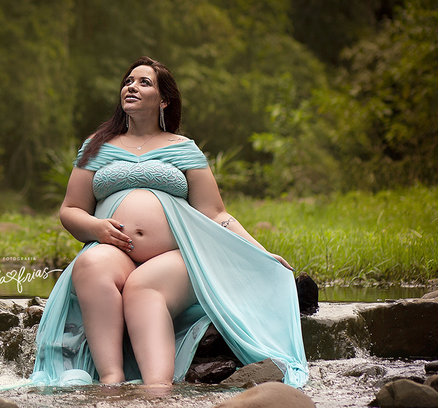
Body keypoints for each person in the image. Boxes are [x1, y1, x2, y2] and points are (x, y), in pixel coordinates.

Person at [26, 57, 309, 388]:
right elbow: (71, 209)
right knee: (89, 264)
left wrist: (259, 251)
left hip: (177, 256)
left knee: (142, 288)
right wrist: (96, 228)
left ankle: (158, 392)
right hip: (117, 251)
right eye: (128, 81)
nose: (131, 87)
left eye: (144, 82)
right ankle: (110, 382)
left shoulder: (183, 148)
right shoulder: (97, 146)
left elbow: (216, 213)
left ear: (164, 100)